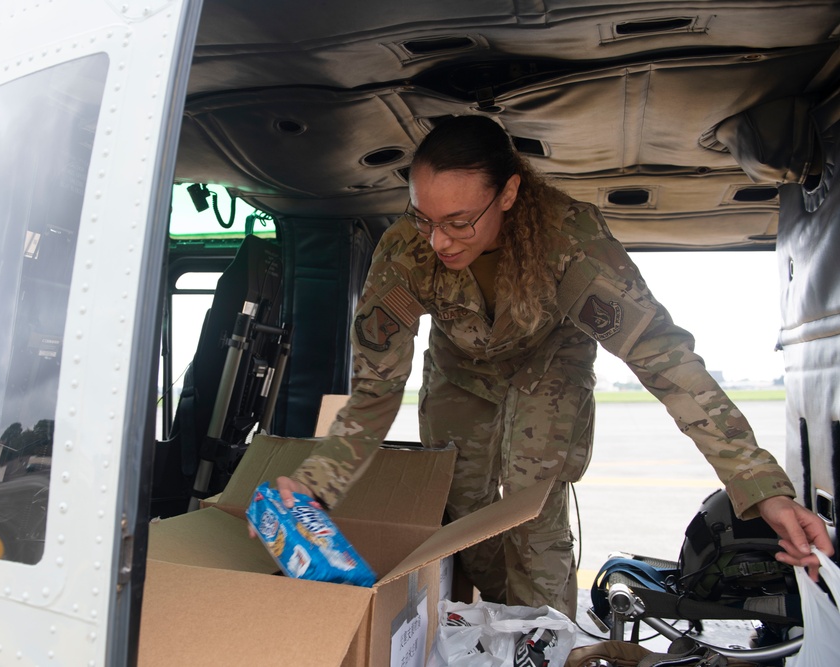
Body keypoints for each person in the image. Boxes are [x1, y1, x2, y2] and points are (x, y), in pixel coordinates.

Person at [273, 114, 832, 618]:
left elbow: (665, 361)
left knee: (530, 513)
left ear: (510, 193)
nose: (439, 240)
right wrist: (314, 487)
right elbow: (375, 388)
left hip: (549, 362)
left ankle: (545, 641)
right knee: (464, 520)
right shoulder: (404, 253)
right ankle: (489, 631)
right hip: (460, 370)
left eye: (460, 221)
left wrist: (762, 487)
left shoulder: (570, 243)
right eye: (423, 218)